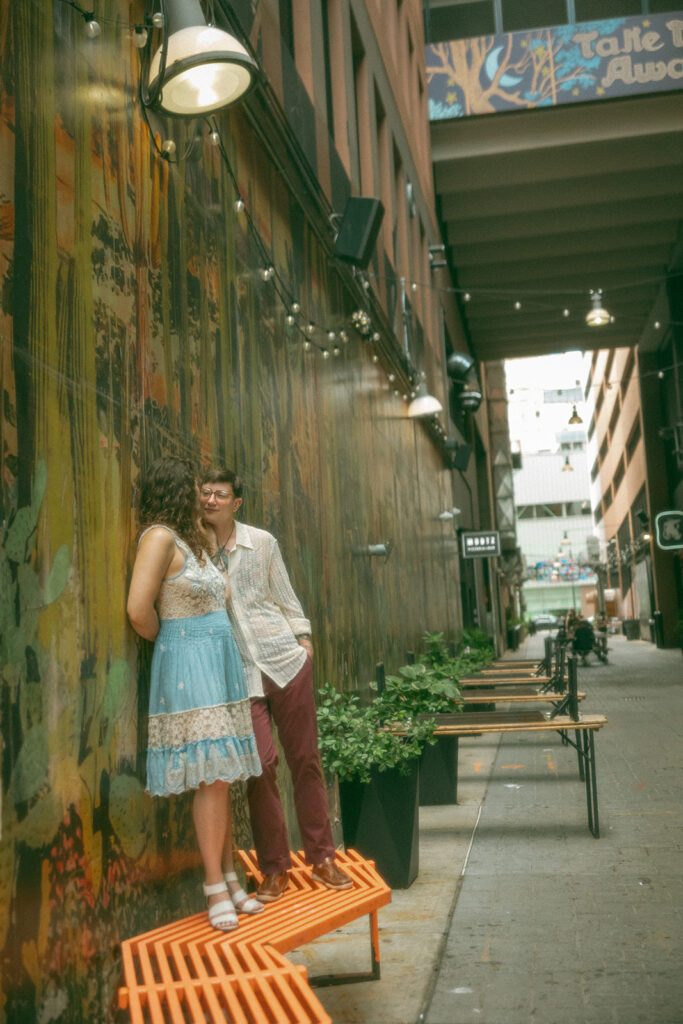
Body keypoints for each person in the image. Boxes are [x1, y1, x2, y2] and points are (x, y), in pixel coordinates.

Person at [199, 467, 353, 902]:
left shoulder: (261, 543)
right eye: (205, 493)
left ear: (236, 502)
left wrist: (303, 640)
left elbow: (285, 597)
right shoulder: (194, 550)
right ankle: (275, 869)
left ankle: (322, 857)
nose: (211, 500)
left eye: (220, 494)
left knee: (305, 759)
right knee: (260, 767)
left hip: (285, 662)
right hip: (239, 675)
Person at [127, 456, 264, 931]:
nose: (203, 495)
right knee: (210, 777)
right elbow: (138, 609)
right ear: (175, 489)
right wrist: (175, 644)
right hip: (189, 664)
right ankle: (212, 888)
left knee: (222, 774)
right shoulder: (160, 538)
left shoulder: (197, 539)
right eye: (195, 487)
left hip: (219, 665)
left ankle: (229, 877)